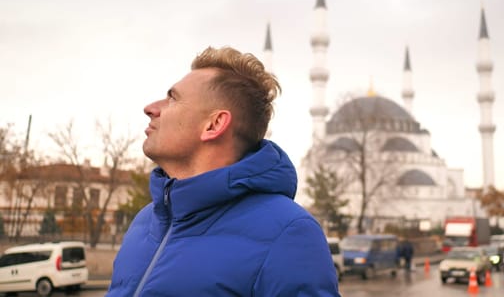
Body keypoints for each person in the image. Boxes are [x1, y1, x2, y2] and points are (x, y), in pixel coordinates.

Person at [107, 46, 340, 296]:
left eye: (173, 98)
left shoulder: (288, 233)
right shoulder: (146, 220)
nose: (151, 108)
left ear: (214, 124)